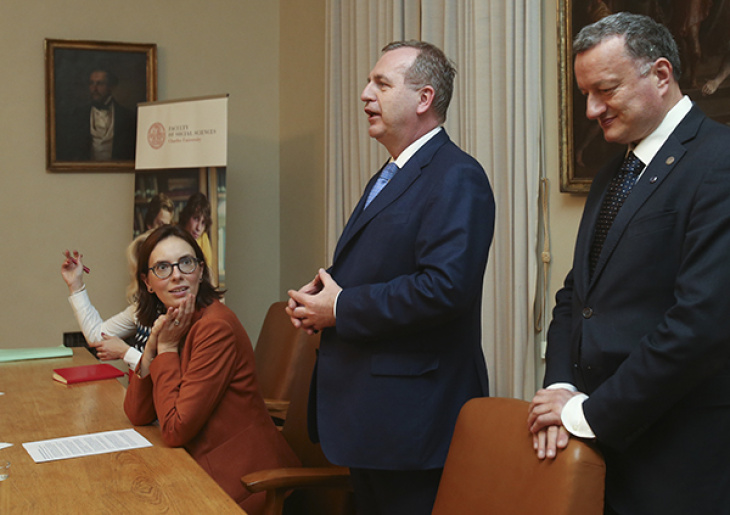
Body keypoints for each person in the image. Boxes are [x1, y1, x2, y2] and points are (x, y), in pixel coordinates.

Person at [527, 13, 730, 514]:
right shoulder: (612, 173)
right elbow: (578, 295)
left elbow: (700, 322)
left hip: (680, 457)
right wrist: (561, 388)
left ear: (660, 75)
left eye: (606, 90)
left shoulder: (718, 162)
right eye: (585, 94)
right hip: (604, 448)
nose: (593, 109)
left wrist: (591, 413)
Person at [286, 40, 494, 515]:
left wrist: (340, 308)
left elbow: (445, 289)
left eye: (381, 83)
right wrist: (322, 298)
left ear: (423, 99)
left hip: (412, 423)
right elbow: (385, 266)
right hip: (373, 418)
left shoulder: (457, 175)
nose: (364, 94)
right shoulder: (393, 172)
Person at [123, 225, 299, 513]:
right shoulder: (176, 322)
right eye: (163, 267)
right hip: (198, 469)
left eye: (186, 263)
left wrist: (166, 351)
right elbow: (138, 414)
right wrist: (152, 348)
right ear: (147, 282)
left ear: (201, 272)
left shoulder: (215, 327)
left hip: (245, 485)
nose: (177, 274)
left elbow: (174, 429)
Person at [61, 232, 151, 368]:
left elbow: (168, 376)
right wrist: (76, 285)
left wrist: (125, 352)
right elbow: (97, 336)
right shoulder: (140, 309)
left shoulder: (186, 313)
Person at [57, 68, 137, 162]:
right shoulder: (77, 114)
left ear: (111, 87)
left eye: (100, 84)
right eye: (91, 83)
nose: (94, 88)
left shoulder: (127, 116)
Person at [179, 192, 216, 285]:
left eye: (203, 223)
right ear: (187, 217)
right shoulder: (175, 235)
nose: (199, 228)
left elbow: (209, 273)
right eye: (196, 218)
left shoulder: (203, 238)